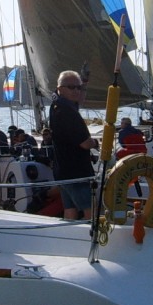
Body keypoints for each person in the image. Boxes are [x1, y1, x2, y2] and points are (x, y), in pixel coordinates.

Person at [49, 70, 99, 221]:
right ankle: (91, 241)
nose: (77, 91)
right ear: (60, 88)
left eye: (79, 88)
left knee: (70, 211)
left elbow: (79, 100)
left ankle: (68, 239)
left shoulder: (57, 105)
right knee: (91, 211)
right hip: (77, 173)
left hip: (63, 172)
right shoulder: (68, 113)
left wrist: (84, 83)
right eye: (72, 87)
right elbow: (85, 144)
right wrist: (97, 143)